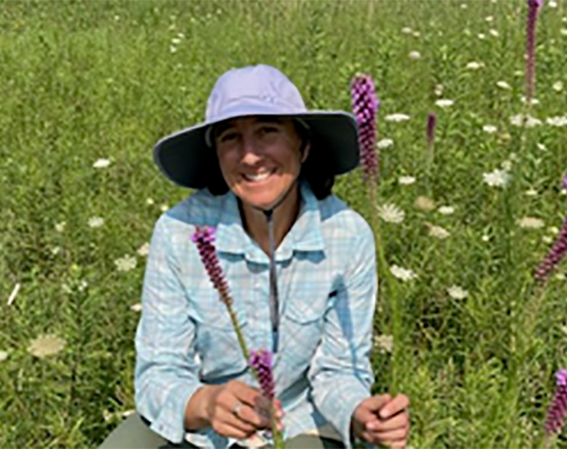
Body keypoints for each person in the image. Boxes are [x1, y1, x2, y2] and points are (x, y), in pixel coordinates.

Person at [99, 64, 410, 449]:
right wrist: (204, 403)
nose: (249, 156)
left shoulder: (347, 236)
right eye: (231, 137)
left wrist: (360, 414)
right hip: (202, 427)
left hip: (299, 422)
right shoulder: (179, 232)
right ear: (216, 156)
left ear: (304, 144)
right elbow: (158, 371)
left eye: (268, 131)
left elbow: (339, 368)